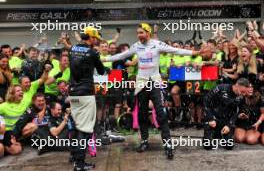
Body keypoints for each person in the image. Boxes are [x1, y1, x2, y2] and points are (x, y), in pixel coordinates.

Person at [102, 23, 202, 160]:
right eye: (137, 33)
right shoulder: (136, 46)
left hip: (154, 81)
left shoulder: (157, 44)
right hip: (142, 82)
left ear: (148, 33)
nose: (139, 35)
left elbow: (175, 50)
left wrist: (193, 53)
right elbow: (121, 55)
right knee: (142, 113)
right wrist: (104, 59)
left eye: (141, 33)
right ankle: (144, 141)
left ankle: (168, 144)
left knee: (160, 113)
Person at [69, 26, 107, 171]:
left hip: (73, 93)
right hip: (85, 94)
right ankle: (79, 163)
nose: (96, 41)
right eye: (96, 38)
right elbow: (102, 71)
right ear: (90, 37)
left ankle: (74, 156)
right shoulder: (92, 53)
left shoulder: (72, 49)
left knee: (77, 126)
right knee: (85, 130)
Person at [203, 78, 250, 150]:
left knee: (229, 146)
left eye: (245, 93)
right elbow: (206, 101)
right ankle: (213, 134)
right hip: (213, 118)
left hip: (226, 121)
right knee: (207, 145)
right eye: (242, 91)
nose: (243, 94)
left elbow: (237, 112)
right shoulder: (220, 88)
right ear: (237, 85)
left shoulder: (241, 97)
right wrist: (210, 118)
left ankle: (221, 135)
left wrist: (229, 125)